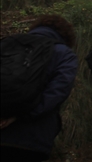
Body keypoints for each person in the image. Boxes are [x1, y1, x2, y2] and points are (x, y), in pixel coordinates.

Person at [1, 15, 78, 162]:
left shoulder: (8, 44)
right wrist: (20, 116)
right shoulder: (64, 54)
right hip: (33, 138)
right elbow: (57, 93)